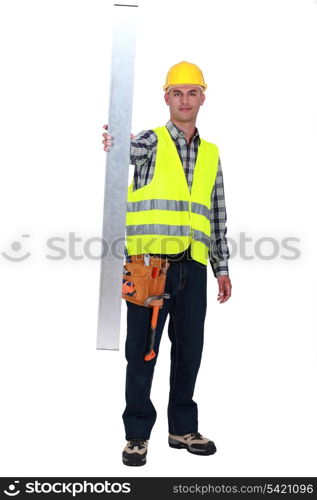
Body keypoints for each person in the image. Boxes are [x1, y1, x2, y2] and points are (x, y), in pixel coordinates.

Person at [102, 61, 232, 466]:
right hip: (149, 267)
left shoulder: (211, 153)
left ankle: (182, 428)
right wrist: (116, 143)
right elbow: (127, 148)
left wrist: (221, 267)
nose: (185, 100)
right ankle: (137, 435)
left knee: (189, 350)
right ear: (167, 98)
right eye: (178, 93)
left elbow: (216, 213)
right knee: (143, 351)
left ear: (202, 98)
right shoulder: (151, 142)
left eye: (192, 92)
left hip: (192, 268)